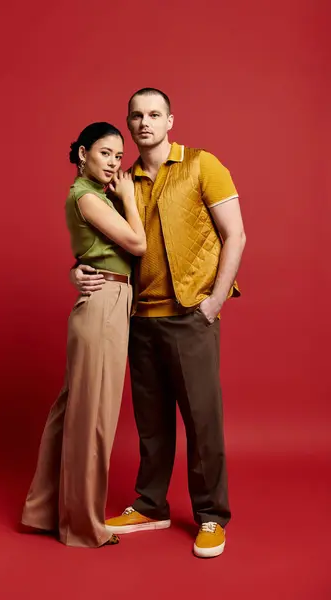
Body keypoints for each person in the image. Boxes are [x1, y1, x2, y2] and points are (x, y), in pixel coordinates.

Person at [70, 89, 246, 558]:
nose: (145, 122)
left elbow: (236, 234)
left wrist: (211, 303)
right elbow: (100, 243)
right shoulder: (119, 181)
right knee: (151, 423)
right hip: (138, 317)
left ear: (170, 120)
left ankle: (211, 515)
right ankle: (150, 505)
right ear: (128, 125)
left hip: (191, 316)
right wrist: (78, 270)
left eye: (154, 114)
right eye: (137, 116)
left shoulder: (202, 165)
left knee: (203, 421)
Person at [21, 122, 146, 548]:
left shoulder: (94, 196)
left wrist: (76, 270)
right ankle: (82, 524)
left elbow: (93, 249)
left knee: (73, 410)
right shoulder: (89, 197)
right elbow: (136, 243)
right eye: (104, 153)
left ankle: (44, 511)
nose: (113, 162)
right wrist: (129, 198)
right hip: (105, 304)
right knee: (92, 417)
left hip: (104, 301)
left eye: (117, 155)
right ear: (82, 155)